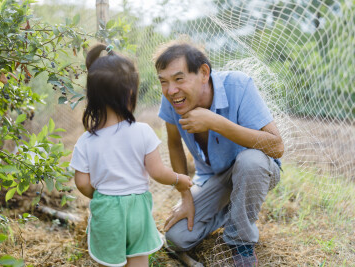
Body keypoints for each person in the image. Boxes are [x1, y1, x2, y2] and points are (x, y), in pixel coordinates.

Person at [154, 40, 284, 267]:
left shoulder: (239, 85)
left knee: (250, 161)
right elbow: (174, 145)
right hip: (215, 178)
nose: (170, 90)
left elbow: (276, 147)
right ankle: (234, 211)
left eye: (178, 79)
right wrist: (185, 196)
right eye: (163, 82)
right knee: (177, 238)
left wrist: (217, 122)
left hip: (257, 169)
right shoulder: (173, 101)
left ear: (204, 73)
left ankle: (241, 242)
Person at [70, 43, 192, 267]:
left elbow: (82, 183)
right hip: (138, 212)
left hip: (107, 212)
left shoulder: (85, 142)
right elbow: (157, 172)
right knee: (138, 261)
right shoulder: (142, 132)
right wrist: (178, 179)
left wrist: (102, 195)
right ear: (130, 93)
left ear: (93, 96)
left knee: (110, 262)